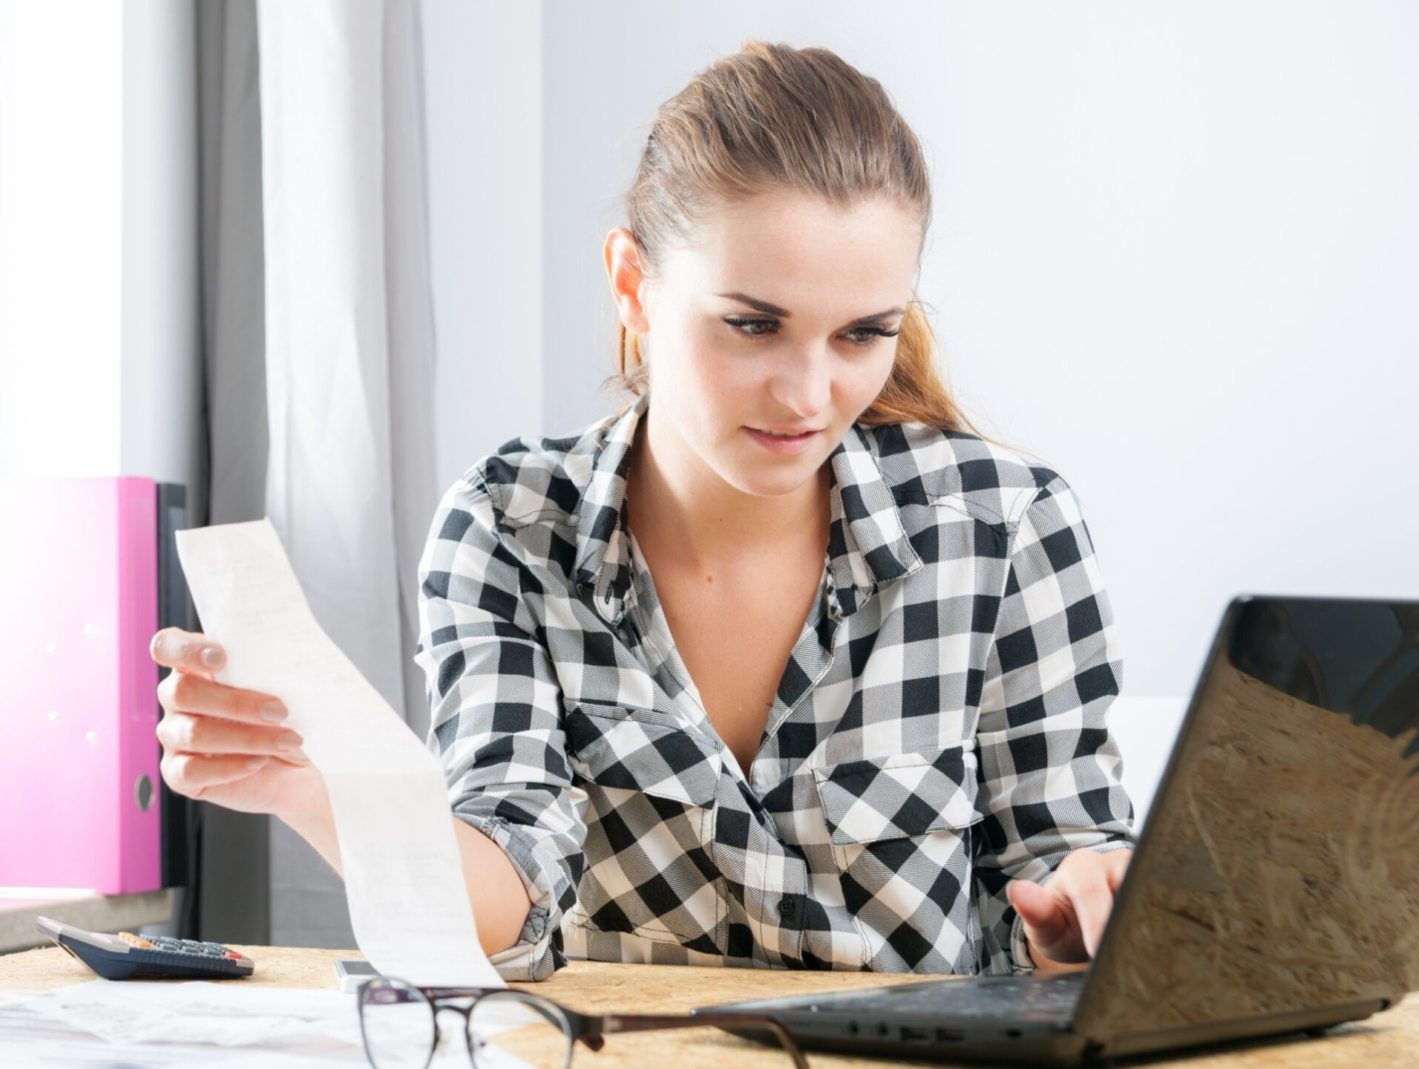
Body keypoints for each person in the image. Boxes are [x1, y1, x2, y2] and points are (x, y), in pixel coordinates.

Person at [152, 41, 1135, 982]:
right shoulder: (508, 527)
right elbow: (510, 886)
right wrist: (314, 789)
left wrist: (1087, 908)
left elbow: (1054, 876)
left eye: (861, 334)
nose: (807, 393)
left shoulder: (1003, 527)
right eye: (752, 325)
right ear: (632, 282)